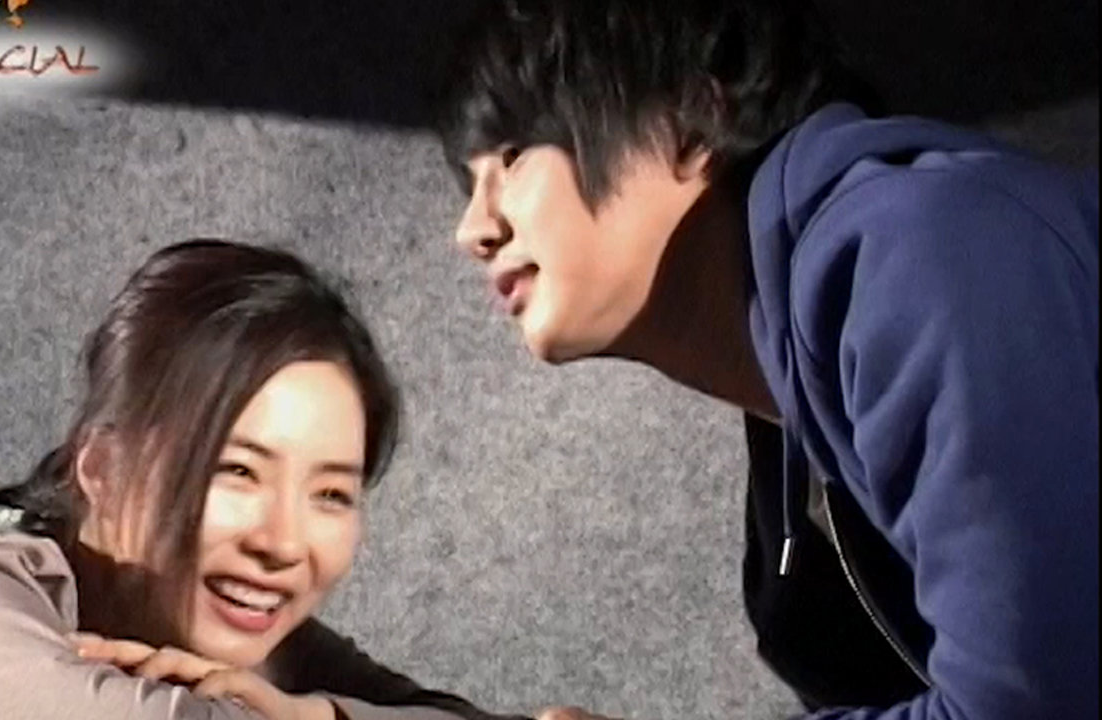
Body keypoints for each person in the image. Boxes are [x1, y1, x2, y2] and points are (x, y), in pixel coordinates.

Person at [433, 0, 1099, 718]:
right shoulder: (787, 418)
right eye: (471, 183)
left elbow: (1034, 706)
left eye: (512, 157)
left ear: (691, 119)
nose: (473, 229)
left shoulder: (921, 258)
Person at [0, 239, 525, 720]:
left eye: (331, 494)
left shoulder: (234, 631)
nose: (283, 542)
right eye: (236, 470)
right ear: (103, 469)